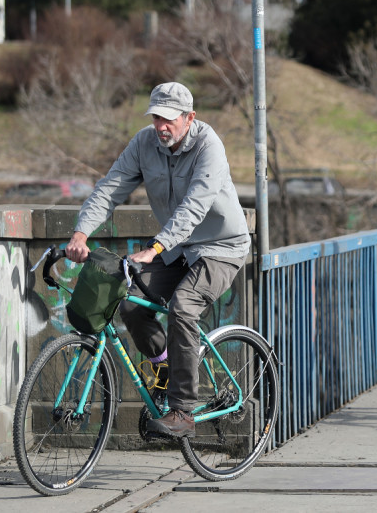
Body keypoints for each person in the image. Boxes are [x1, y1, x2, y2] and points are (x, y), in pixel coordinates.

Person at [65, 82, 251, 439]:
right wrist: (81, 232)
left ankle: (183, 411)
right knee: (129, 298)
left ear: (189, 118)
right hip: (179, 250)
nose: (160, 126)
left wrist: (155, 248)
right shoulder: (144, 143)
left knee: (183, 307)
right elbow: (110, 188)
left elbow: (195, 206)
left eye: (168, 119)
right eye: (156, 117)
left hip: (220, 247)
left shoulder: (209, 146)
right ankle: (164, 368)